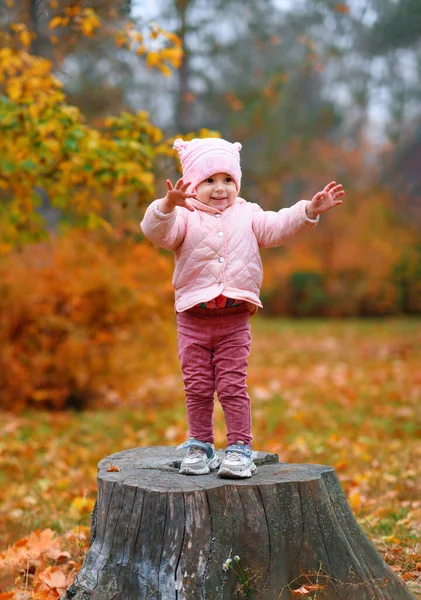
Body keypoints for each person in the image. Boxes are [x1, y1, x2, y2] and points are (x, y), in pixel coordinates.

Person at [140, 137, 344, 479]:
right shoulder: (185, 218)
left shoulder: (248, 214)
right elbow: (156, 232)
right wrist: (167, 205)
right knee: (198, 386)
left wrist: (308, 210)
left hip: (234, 319)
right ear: (191, 184)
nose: (219, 189)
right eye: (209, 181)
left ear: (237, 183)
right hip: (193, 318)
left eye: (227, 180)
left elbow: (278, 225)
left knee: (233, 386)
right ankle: (200, 444)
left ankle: (239, 448)